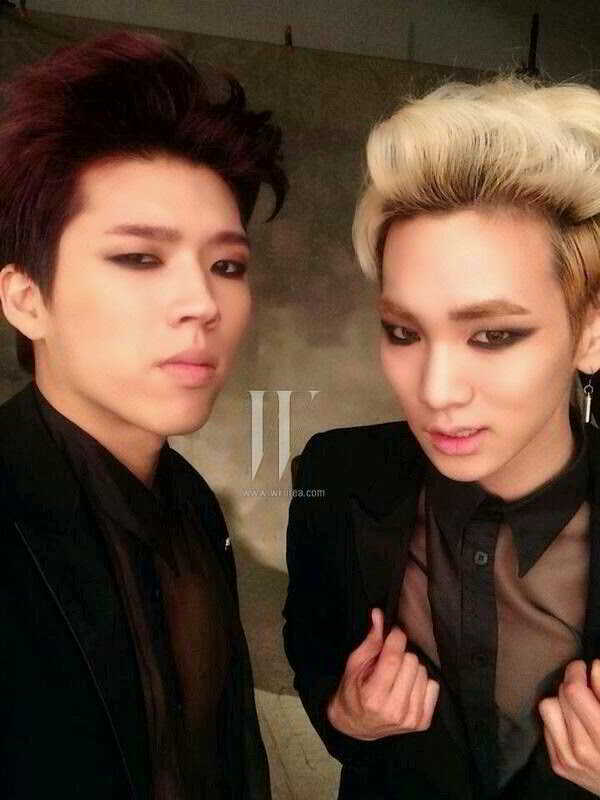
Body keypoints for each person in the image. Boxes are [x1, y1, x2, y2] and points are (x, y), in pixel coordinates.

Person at [283, 75, 600, 799]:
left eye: (494, 334)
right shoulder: (337, 474)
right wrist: (348, 716)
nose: (435, 390)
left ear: (591, 333)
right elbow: (312, 648)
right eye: (404, 332)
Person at [0, 30, 286, 799]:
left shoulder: (191, 502)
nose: (202, 303)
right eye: (139, 257)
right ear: (27, 298)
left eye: (226, 265)